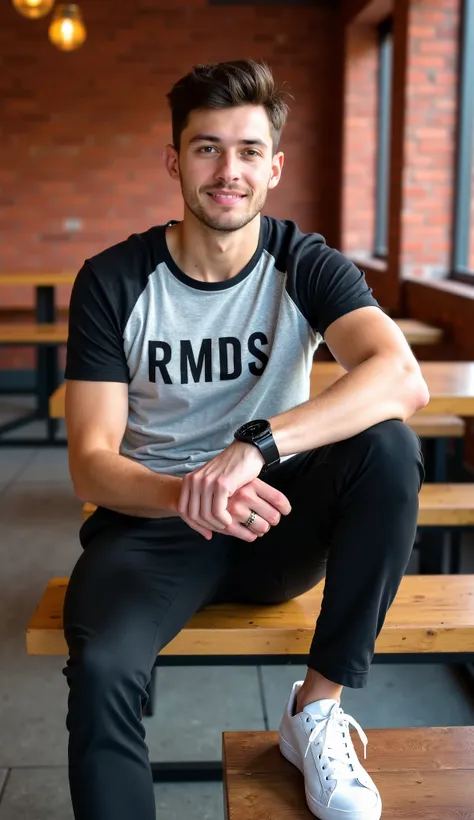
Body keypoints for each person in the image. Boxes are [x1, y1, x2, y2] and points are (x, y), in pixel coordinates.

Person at [62, 58, 428, 820]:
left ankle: (315, 710)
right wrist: (187, 491)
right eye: (206, 148)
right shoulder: (113, 279)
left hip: (275, 524)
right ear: (174, 160)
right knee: (100, 673)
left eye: (248, 151)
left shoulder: (304, 262)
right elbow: (93, 467)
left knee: (388, 447)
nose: (228, 171)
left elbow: (401, 377)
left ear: (273, 167)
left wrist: (256, 446)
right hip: (152, 530)